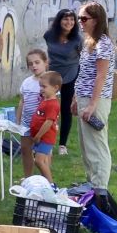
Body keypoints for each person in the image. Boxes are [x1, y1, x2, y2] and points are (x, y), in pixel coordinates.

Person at [75, 3, 117, 191]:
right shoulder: (89, 42)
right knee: (86, 144)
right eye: (79, 18)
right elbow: (84, 73)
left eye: (84, 19)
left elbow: (101, 75)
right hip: (84, 96)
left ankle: (100, 186)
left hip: (96, 100)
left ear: (97, 20)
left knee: (96, 144)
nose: (80, 22)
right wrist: (76, 99)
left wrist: (92, 104)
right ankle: (91, 181)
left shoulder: (103, 43)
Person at [42, 9, 82, 152]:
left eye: (72, 20)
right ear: (59, 21)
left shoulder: (78, 39)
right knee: (48, 108)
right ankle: (46, 141)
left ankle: (62, 145)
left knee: (66, 109)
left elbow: (81, 59)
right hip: (52, 75)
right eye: (65, 19)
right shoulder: (49, 36)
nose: (69, 22)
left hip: (70, 75)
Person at [17, 48, 47, 177]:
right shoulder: (26, 82)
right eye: (30, 63)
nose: (34, 66)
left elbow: (55, 104)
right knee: (26, 150)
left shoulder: (49, 81)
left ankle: (45, 181)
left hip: (43, 124)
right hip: (26, 124)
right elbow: (22, 102)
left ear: (45, 63)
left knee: (43, 153)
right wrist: (18, 121)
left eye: (37, 62)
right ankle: (28, 178)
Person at [29, 72, 62, 181]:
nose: (41, 89)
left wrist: (38, 135)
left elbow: (48, 122)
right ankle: (45, 182)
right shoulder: (45, 100)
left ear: (55, 88)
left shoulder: (52, 104)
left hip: (45, 138)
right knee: (44, 161)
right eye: (40, 86)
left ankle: (50, 184)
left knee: (39, 161)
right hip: (40, 137)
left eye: (44, 86)